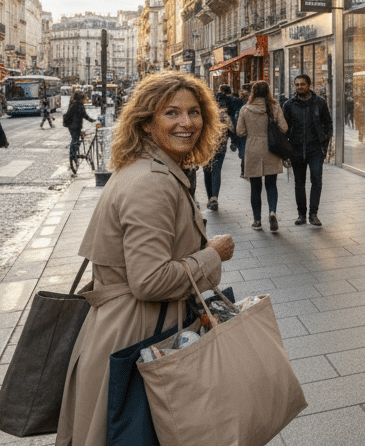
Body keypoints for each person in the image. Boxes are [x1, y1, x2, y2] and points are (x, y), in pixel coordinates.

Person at [55, 71, 232, 446]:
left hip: (128, 327)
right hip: (138, 334)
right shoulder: (152, 181)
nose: (187, 122)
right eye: (172, 113)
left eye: (195, 112)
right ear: (147, 123)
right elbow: (149, 280)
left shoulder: (147, 169)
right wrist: (211, 255)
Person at [235, 80, 288, 232]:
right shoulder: (275, 107)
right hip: (272, 149)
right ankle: (272, 211)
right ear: (268, 92)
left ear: (253, 92)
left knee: (255, 187)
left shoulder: (245, 109)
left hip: (253, 149)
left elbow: (240, 132)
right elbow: (284, 128)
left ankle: (257, 220)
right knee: (271, 184)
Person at [283, 74, 333, 226]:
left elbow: (328, 125)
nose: (299, 87)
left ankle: (313, 214)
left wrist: (324, 142)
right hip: (296, 149)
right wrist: (287, 149)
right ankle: (301, 214)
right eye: (297, 85)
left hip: (315, 149)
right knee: (299, 183)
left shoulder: (320, 103)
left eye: (302, 84)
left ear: (309, 85)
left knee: (316, 180)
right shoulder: (289, 105)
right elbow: (284, 129)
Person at [201, 86, 234, 211]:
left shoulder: (204, 114)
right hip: (220, 145)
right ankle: (215, 197)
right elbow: (231, 127)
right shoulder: (222, 114)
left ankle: (210, 197)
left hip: (206, 146)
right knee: (216, 170)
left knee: (207, 172)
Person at [64, 91, 97, 174]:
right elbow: (84, 115)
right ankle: (73, 155)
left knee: (74, 139)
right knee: (76, 140)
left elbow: (70, 113)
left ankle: (73, 155)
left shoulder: (72, 103)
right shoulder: (79, 105)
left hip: (70, 125)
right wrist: (92, 120)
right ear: (81, 98)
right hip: (76, 126)